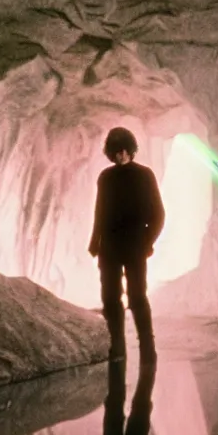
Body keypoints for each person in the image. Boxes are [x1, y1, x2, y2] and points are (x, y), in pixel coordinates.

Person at [89, 127, 165, 364]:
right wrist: (95, 242)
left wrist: (147, 241)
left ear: (131, 150)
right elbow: (99, 212)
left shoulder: (145, 175)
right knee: (110, 297)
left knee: (137, 296)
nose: (121, 155)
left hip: (134, 245)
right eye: (116, 151)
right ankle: (117, 345)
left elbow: (158, 214)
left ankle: (147, 344)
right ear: (110, 153)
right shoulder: (105, 177)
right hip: (110, 246)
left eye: (124, 150)